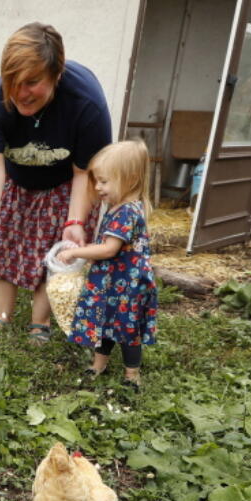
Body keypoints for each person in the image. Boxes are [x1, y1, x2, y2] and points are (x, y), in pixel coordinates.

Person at [0, 22, 112, 343]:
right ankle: (2, 317)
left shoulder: (87, 103)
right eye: (12, 82)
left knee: (56, 251)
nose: (19, 92)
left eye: (32, 82)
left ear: (57, 74)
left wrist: (75, 221)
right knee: (4, 245)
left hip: (68, 182)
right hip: (18, 180)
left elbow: (85, 173)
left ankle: (39, 323)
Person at [57, 139, 157, 390]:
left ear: (130, 178)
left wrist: (76, 253)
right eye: (97, 181)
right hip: (116, 281)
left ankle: (131, 375)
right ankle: (98, 364)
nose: (98, 187)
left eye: (104, 181)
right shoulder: (119, 207)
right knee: (106, 323)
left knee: (127, 328)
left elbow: (109, 249)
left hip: (126, 286)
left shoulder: (126, 212)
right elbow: (113, 249)